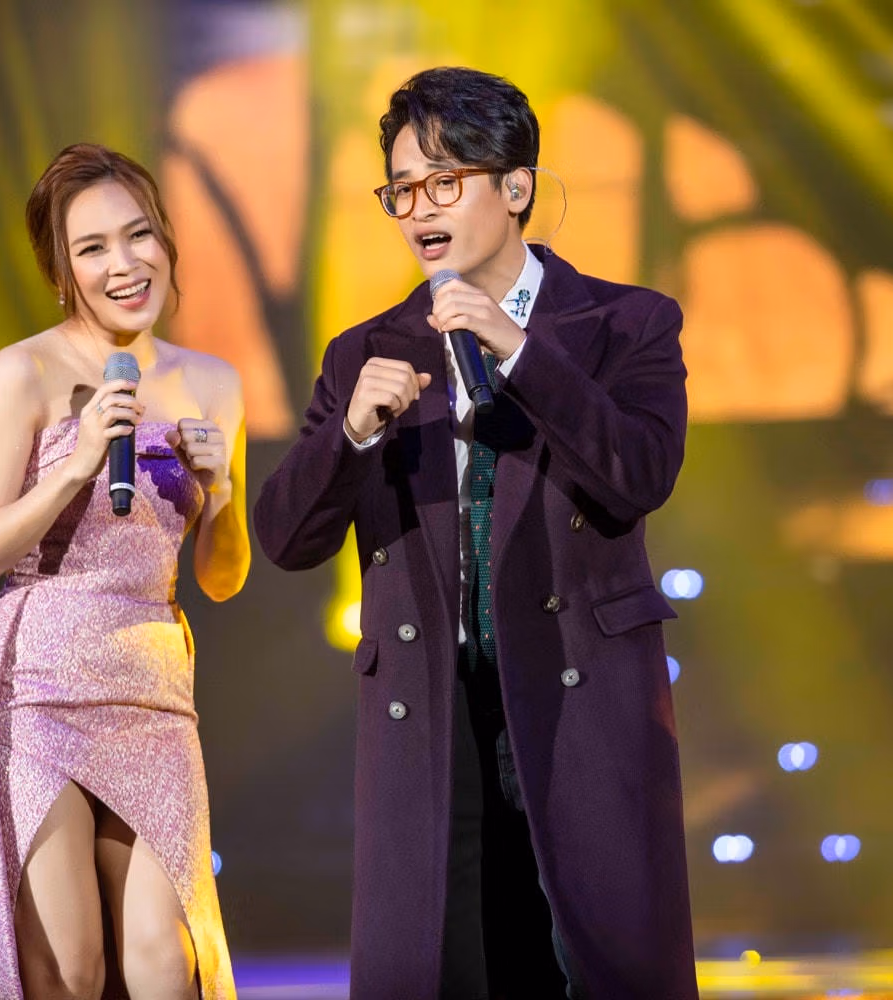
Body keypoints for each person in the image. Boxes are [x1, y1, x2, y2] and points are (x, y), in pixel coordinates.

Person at [255, 67, 699, 999]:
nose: (420, 208)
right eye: (401, 189)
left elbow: (639, 476)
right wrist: (351, 433)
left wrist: (520, 351)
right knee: (451, 964)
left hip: (580, 698)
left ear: (517, 186)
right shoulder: (366, 351)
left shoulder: (626, 324)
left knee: (600, 963)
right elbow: (287, 539)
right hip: (433, 711)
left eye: (444, 181)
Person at [0, 143, 249, 1000]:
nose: (124, 264)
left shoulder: (214, 383)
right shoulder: (22, 373)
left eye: (139, 236)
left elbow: (223, 577)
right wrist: (72, 467)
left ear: (167, 241)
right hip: (37, 690)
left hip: (151, 691)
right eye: (93, 248)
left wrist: (220, 494)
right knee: (70, 967)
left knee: (165, 961)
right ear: (62, 272)